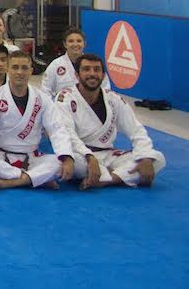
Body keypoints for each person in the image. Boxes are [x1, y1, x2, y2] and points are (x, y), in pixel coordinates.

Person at [56, 54, 165, 189]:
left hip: (108, 154)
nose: (92, 74)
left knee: (157, 158)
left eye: (97, 70)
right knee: (62, 164)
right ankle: (119, 175)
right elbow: (68, 134)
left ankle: (108, 179)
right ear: (77, 75)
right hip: (81, 156)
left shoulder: (113, 99)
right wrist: (89, 156)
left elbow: (136, 129)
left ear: (103, 75)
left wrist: (145, 157)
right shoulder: (65, 98)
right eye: (86, 69)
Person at [0, 51, 74, 190]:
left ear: (31, 71)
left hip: (31, 157)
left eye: (24, 68)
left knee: (59, 163)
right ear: (7, 69)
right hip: (1, 156)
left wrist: (66, 156)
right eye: (15, 67)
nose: (20, 72)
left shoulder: (42, 98)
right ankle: (34, 179)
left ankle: (13, 181)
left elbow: (56, 128)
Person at [43, 27, 111, 96]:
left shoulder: (93, 63)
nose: (75, 44)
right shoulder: (55, 65)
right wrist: (53, 106)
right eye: (71, 41)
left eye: (79, 41)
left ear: (84, 43)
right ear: (65, 44)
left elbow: (105, 88)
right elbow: (45, 90)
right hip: (62, 105)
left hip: (89, 104)